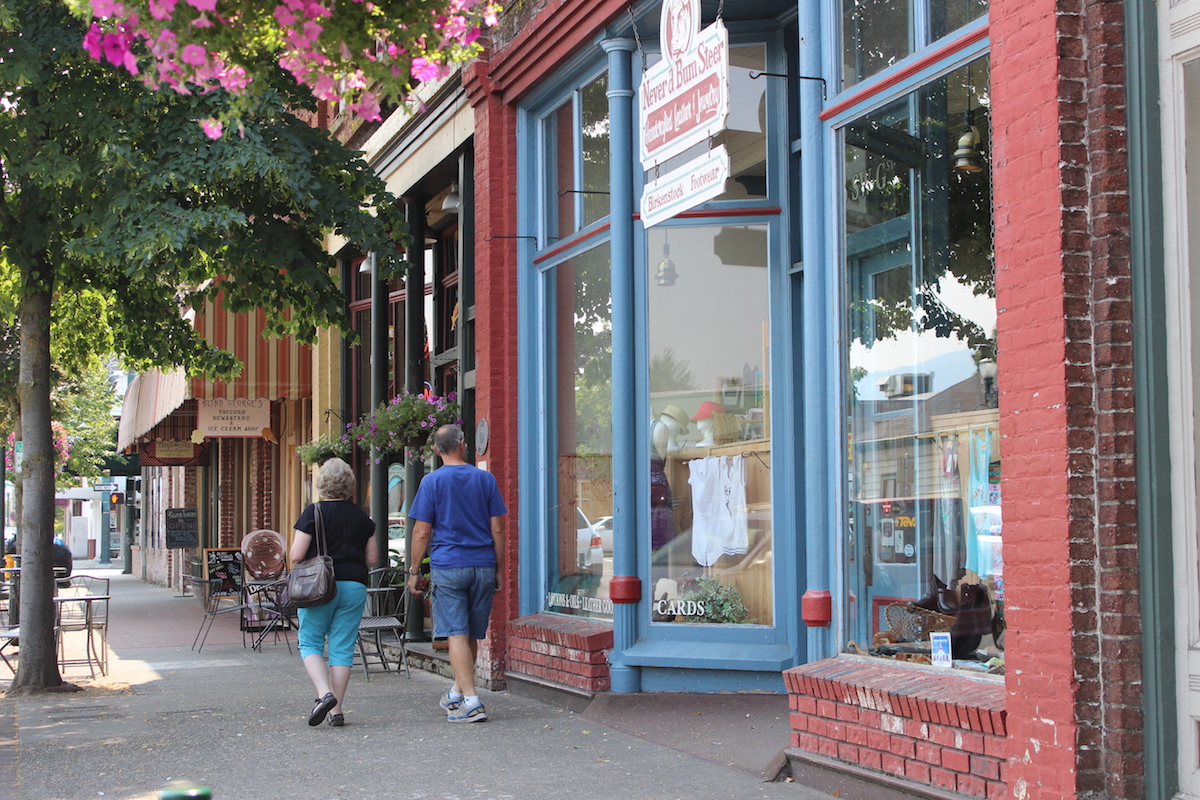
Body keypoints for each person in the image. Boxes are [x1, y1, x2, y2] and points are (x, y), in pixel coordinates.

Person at [407, 424, 507, 723]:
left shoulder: (431, 482)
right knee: (471, 635)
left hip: (449, 566)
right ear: (463, 444)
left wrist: (414, 571)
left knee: (456, 635)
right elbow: (498, 528)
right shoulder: (485, 479)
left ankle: (473, 702)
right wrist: (499, 569)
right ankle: (456, 692)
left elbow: (422, 532)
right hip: (483, 566)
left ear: (437, 451)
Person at [290, 458, 378, 728]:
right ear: (349, 485)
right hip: (354, 585)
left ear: (322, 483)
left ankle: (323, 694)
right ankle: (336, 711)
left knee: (311, 642)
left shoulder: (313, 513)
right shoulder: (362, 517)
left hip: (319, 587)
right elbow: (372, 559)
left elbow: (296, 555)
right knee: (342, 647)